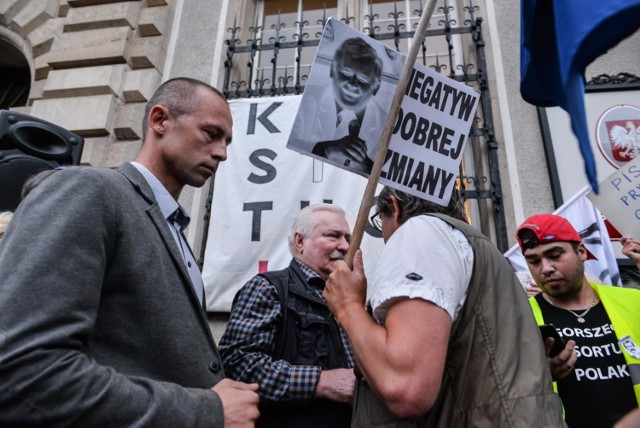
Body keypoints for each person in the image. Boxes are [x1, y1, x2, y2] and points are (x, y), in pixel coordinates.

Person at [0, 77, 260, 426]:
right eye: (210, 133)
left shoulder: (174, 232)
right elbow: (24, 373)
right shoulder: (88, 189)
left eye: (227, 141)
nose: (222, 152)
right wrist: (206, 411)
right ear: (159, 120)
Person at [323, 186, 565, 426]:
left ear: (395, 208)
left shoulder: (419, 233)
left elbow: (406, 388)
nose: (386, 236)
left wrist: (348, 306)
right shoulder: (477, 247)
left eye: (379, 221)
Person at [219, 203, 356, 427]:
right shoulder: (268, 288)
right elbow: (238, 363)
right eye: (333, 236)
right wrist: (321, 382)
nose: (343, 246)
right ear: (300, 241)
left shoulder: (350, 297)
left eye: (347, 238)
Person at [517, 213, 640, 427]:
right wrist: (540, 376)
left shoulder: (633, 301)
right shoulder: (520, 318)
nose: (545, 268)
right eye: (534, 261)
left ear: (581, 252)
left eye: (555, 255)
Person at [288, 35, 386, 175]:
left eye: (363, 80)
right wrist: (324, 149)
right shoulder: (306, 103)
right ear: (332, 70)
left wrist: (367, 168)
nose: (352, 84)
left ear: (376, 87)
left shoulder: (386, 122)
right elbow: (285, 151)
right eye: (346, 73)